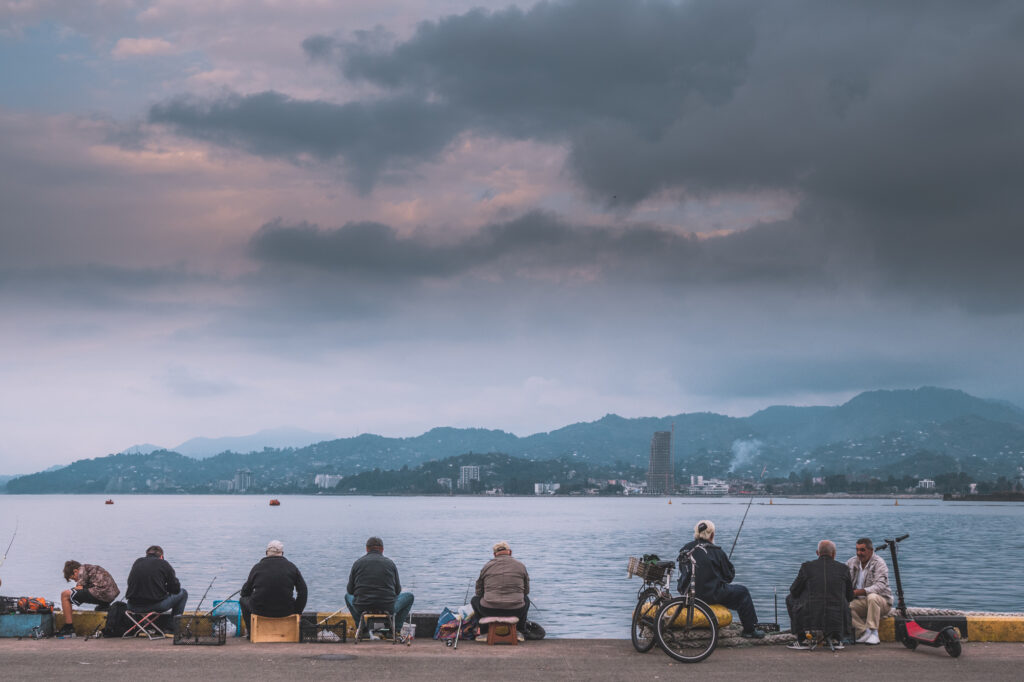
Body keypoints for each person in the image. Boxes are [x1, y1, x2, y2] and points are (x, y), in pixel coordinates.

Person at [677, 520, 765, 639]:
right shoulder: (717, 551)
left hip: (688, 594)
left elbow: (683, 571)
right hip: (711, 595)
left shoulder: (685, 549)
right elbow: (729, 577)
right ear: (712, 534)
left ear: (696, 533)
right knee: (743, 592)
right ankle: (750, 630)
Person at [786, 540, 854, 650]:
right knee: (842, 601)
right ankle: (837, 639)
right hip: (837, 617)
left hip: (811, 616)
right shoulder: (844, 569)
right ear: (834, 554)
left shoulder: (806, 567)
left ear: (817, 553)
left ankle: (802, 639)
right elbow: (850, 596)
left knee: (790, 599)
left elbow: (794, 591)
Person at [345, 536, 414, 636]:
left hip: (362, 606)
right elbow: (397, 591)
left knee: (347, 596)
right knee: (409, 596)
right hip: (387, 607)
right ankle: (394, 630)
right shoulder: (390, 564)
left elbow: (350, 591)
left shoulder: (357, 563)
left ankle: (362, 631)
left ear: (367, 549)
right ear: (382, 549)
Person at [239, 540, 308, 635]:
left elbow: (245, 592)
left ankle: (251, 633)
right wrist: (297, 610)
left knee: (243, 600)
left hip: (260, 611)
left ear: (266, 553)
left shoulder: (257, 567)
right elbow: (303, 591)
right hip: (287, 610)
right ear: (282, 553)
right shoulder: (292, 567)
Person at [471, 540, 530, 641]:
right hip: (516, 610)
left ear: (494, 554)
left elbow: (478, 592)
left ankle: (484, 632)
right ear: (510, 552)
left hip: (489, 610)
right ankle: (520, 631)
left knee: (474, 600)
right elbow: (526, 591)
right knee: (526, 599)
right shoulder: (520, 566)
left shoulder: (487, 566)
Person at [846, 538, 892, 645]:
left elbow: (880, 586)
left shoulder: (879, 563)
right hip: (862, 602)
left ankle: (874, 633)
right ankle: (864, 632)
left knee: (872, 597)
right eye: (857, 550)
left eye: (862, 550)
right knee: (844, 606)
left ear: (871, 550)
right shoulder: (851, 562)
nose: (859, 553)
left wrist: (857, 592)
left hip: (882, 602)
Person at [59, 560, 120, 637]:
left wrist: (70, 597)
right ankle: (104, 608)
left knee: (65, 595)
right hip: (110, 595)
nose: (75, 581)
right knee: (80, 594)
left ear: (75, 571)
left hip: (101, 592)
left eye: (73, 578)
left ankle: (69, 628)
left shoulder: (82, 569)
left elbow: (79, 588)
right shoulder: (91, 569)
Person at [125, 545, 188, 617]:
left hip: (132, 606)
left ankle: (141, 622)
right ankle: (174, 622)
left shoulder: (138, 562)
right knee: (183, 593)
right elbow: (176, 589)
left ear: (147, 555)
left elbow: (130, 582)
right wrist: (166, 589)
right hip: (155, 606)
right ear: (161, 557)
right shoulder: (163, 563)